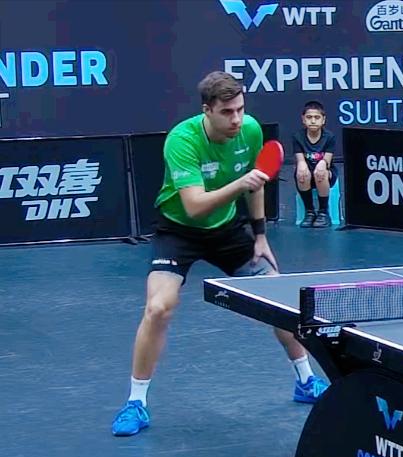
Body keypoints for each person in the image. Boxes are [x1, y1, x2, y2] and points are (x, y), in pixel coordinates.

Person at [111, 71, 329, 437]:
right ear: (207, 110)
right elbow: (195, 206)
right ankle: (136, 402)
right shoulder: (182, 140)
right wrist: (242, 182)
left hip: (228, 231)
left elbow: (257, 184)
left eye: (240, 109)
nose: (237, 119)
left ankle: (305, 380)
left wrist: (260, 236)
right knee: (159, 308)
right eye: (227, 112)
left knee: (281, 298)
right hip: (179, 231)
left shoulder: (250, 131)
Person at [292, 100, 337, 228]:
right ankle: (309, 212)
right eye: (309, 117)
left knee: (320, 172)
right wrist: (302, 167)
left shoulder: (329, 137)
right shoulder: (297, 137)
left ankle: (323, 212)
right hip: (307, 173)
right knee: (302, 173)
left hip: (325, 173)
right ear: (303, 119)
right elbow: (300, 160)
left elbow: (327, 160)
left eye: (317, 117)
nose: (313, 121)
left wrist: (322, 165)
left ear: (323, 120)